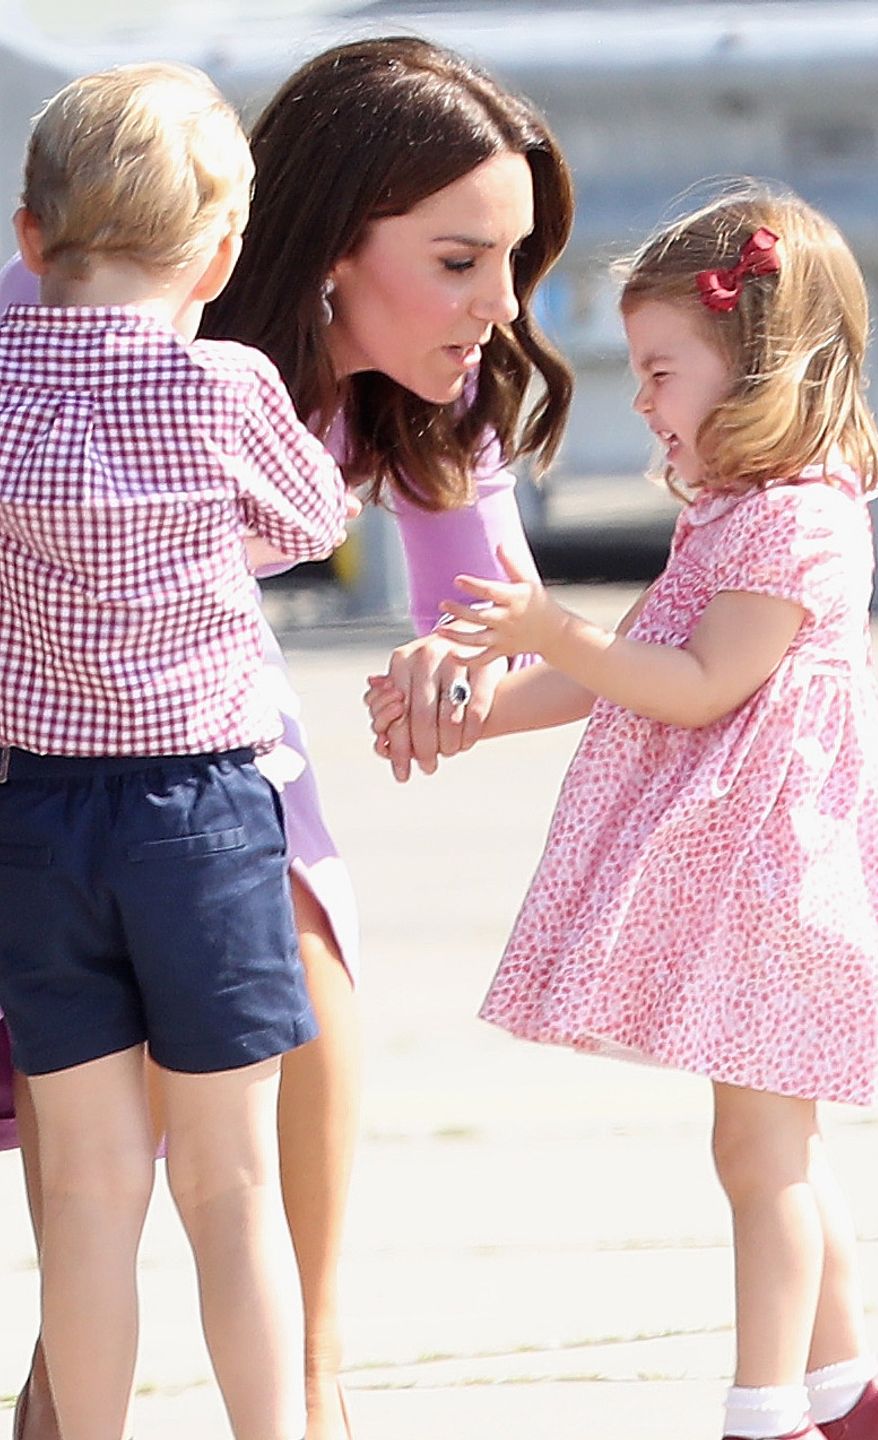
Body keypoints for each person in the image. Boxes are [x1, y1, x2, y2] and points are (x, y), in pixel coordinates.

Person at [0, 35, 574, 1440]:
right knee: (145, 1177)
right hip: (93, 765)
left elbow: (511, 638)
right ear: (320, 245)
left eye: (512, 261)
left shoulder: (432, 400)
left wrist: (448, 670)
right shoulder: (102, 327)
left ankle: (305, 1395)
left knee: (283, 1003)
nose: (499, 307)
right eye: (456, 260)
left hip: (164, 758)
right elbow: (301, 531)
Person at [370, 185, 878, 1440]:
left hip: (788, 878)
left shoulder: (801, 519)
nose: (642, 401)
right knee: (775, 1140)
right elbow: (621, 662)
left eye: (661, 370)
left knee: (762, 1154)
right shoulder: (738, 510)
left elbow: (696, 684)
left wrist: (544, 626)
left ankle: (767, 1406)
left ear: (757, 368)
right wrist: (474, 710)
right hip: (747, 876)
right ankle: (848, 1391)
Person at [0, 61, 350, 1440]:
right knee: (231, 1184)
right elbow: (315, 517)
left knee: (84, 1200)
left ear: (31, 237)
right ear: (218, 250)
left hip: (37, 815)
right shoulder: (222, 384)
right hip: (202, 816)